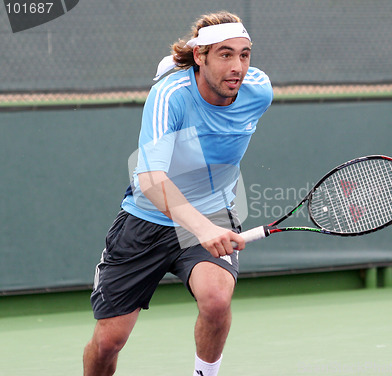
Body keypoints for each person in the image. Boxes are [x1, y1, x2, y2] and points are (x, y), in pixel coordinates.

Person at [83, 10, 273, 376]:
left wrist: (206, 224)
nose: (238, 66)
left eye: (244, 54)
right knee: (109, 342)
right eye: (225, 54)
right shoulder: (169, 94)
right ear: (199, 57)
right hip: (145, 219)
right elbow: (150, 179)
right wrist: (201, 229)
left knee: (217, 300)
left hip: (213, 211)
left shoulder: (258, 91)